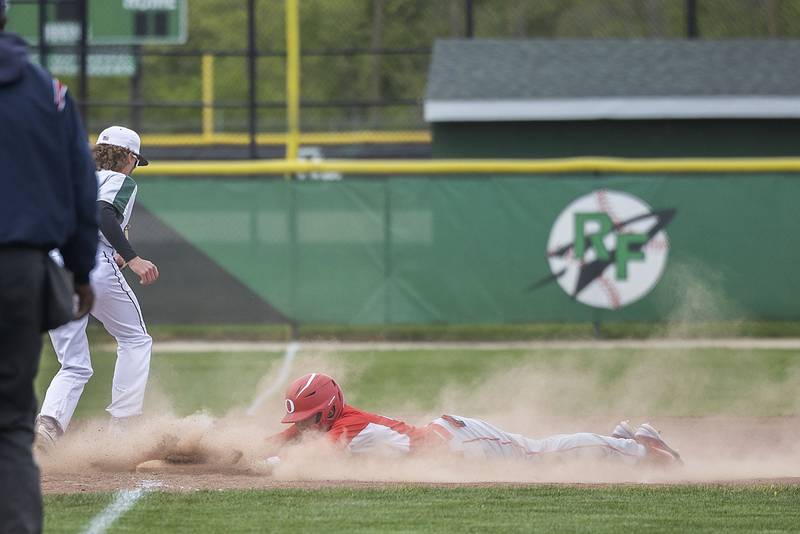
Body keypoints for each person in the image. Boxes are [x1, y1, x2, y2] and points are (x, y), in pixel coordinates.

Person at [0, 0, 99, 530]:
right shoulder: (48, 91)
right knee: (10, 427)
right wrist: (82, 270)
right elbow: (81, 190)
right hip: (17, 270)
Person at [35, 126, 159, 449]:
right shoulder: (121, 180)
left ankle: (48, 425)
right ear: (129, 157)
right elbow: (102, 212)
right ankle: (123, 427)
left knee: (73, 363)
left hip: (54, 267)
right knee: (135, 339)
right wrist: (132, 258)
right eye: (135, 160)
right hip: (91, 264)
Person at [264, 373, 682, 466]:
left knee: (537, 454)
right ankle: (621, 444)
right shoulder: (332, 424)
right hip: (452, 439)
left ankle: (639, 448)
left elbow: (307, 459)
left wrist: (264, 463)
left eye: (308, 417)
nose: (303, 426)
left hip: (463, 443)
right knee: (538, 452)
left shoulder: (343, 429)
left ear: (330, 410)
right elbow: (288, 444)